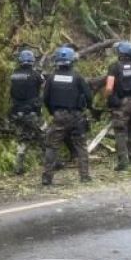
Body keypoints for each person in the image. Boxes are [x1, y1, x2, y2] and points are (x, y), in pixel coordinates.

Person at [41, 46, 93, 186]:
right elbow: (88, 96)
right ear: (72, 61)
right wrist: (86, 108)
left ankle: (47, 178)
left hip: (58, 116)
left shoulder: (52, 78)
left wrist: (53, 112)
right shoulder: (77, 77)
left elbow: (45, 98)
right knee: (81, 146)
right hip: (76, 116)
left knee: (52, 146)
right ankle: (85, 176)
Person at [103, 41, 131, 170]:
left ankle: (123, 162)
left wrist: (106, 97)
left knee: (120, 133)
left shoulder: (115, 67)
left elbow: (109, 87)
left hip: (122, 104)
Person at [7, 49, 44, 176]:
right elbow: (42, 86)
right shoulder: (36, 75)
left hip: (17, 112)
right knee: (44, 135)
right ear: (32, 61)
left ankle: (19, 167)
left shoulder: (14, 74)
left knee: (22, 139)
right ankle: (52, 163)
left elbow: (12, 92)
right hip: (32, 113)